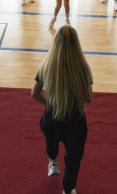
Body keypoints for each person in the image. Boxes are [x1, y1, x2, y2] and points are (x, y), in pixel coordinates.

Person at [31, 26, 92, 194]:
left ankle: (52, 162)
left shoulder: (46, 65)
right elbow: (88, 98)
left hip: (52, 120)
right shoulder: (83, 68)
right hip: (75, 122)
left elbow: (34, 94)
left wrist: (49, 105)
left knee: (51, 143)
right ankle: (68, 188)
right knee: (74, 158)